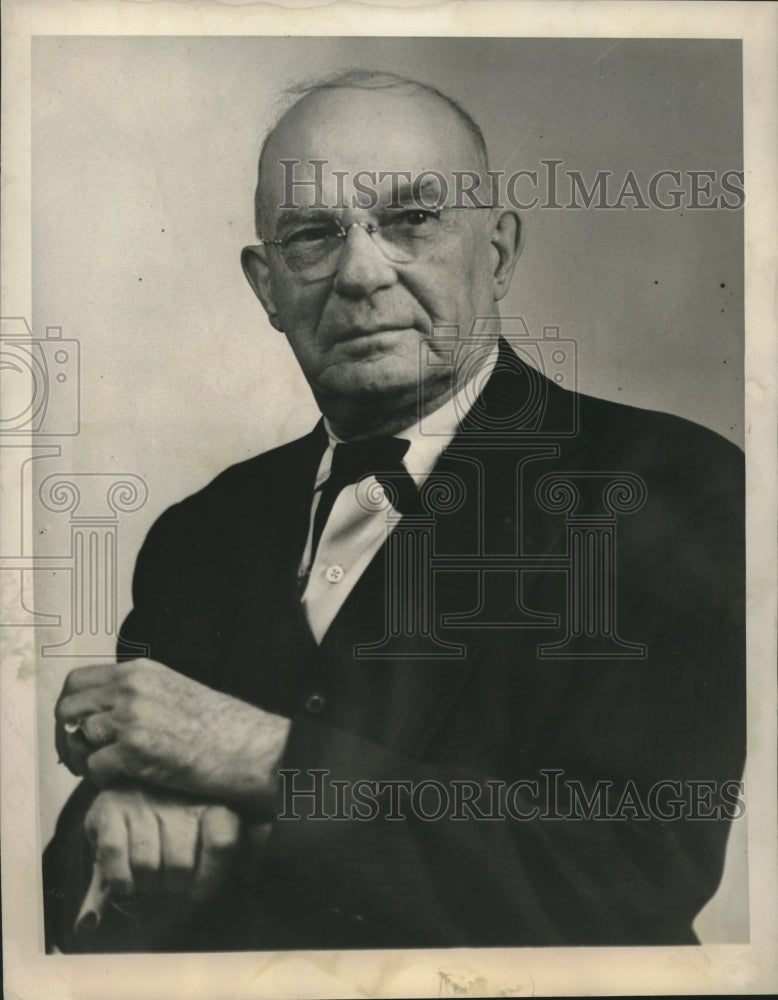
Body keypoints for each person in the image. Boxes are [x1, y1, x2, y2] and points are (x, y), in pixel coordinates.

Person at [43, 71, 745, 952]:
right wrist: (121, 825)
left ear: (496, 253)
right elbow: (70, 885)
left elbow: (633, 871)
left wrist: (261, 759)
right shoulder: (200, 534)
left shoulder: (671, 484)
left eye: (411, 220)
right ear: (267, 286)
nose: (361, 274)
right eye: (313, 236)